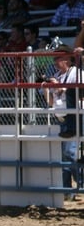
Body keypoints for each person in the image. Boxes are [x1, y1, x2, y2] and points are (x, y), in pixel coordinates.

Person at [42, 45, 82, 200]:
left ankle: (81, 185)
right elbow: (51, 102)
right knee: (63, 155)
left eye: (57, 58)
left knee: (69, 153)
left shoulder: (77, 74)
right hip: (62, 117)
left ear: (67, 59)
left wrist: (61, 88)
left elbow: (80, 95)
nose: (54, 61)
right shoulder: (58, 75)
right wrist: (48, 88)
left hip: (75, 116)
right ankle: (67, 191)